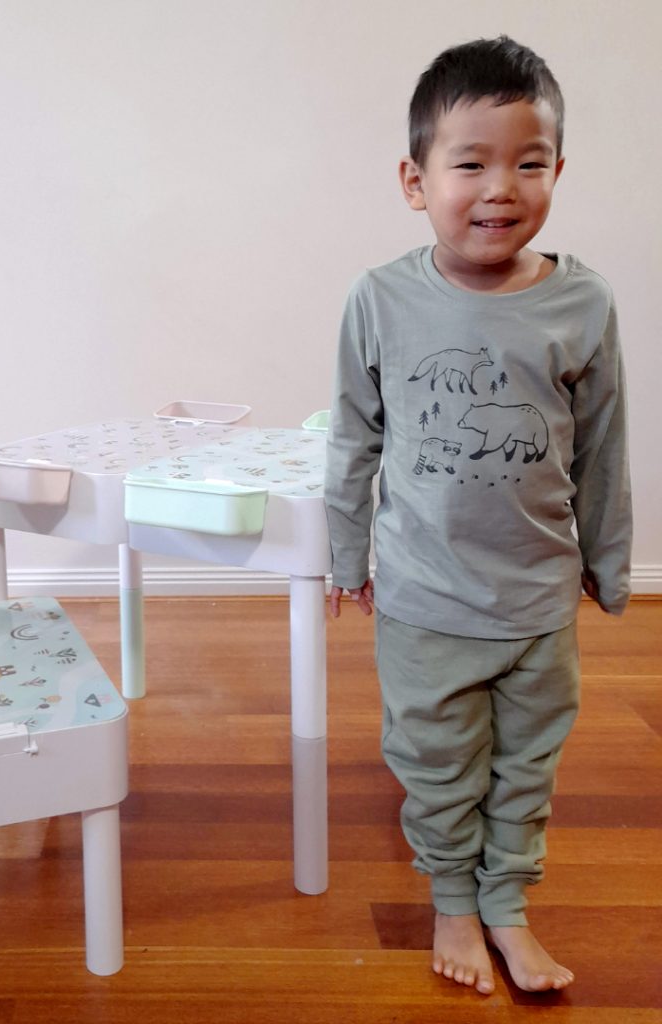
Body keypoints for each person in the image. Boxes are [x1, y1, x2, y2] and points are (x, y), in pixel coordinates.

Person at [323, 35, 631, 995]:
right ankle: (453, 897)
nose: (501, 188)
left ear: (557, 172)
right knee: (437, 759)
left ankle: (507, 901)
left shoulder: (583, 303)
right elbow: (353, 437)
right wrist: (346, 552)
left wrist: (609, 561)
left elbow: (604, 447)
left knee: (529, 763)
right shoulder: (380, 299)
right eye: (471, 164)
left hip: (538, 599)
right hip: (425, 596)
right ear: (416, 181)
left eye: (528, 163)